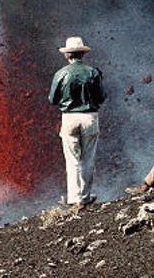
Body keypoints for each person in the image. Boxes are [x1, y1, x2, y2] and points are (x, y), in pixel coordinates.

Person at [49, 36, 107, 210]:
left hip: (69, 118)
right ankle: (85, 196)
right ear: (82, 54)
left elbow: (53, 99)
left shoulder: (61, 74)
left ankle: (75, 199)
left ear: (67, 55)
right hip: (90, 117)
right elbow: (102, 97)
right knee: (88, 158)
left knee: (72, 160)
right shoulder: (93, 73)